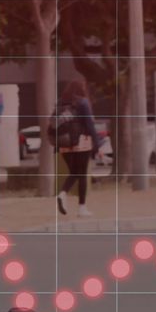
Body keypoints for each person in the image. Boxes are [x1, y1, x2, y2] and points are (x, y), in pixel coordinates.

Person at [55, 80, 101, 217]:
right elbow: (89, 124)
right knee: (82, 175)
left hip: (63, 143)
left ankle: (63, 193)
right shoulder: (83, 102)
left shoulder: (60, 102)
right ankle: (82, 208)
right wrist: (97, 144)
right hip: (81, 143)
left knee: (74, 172)